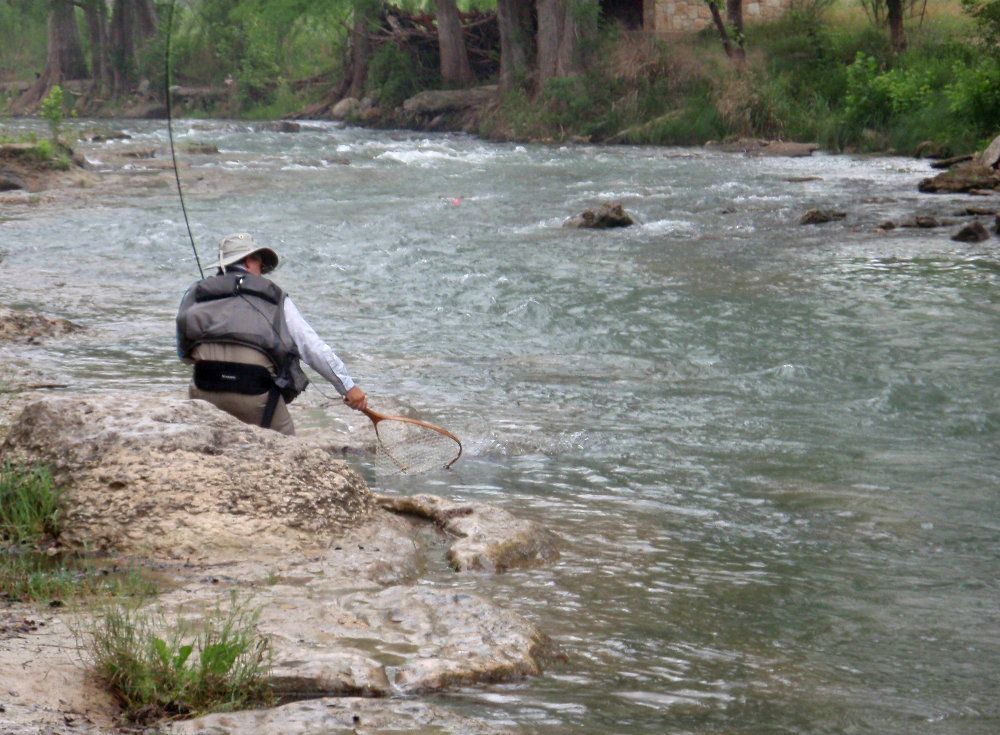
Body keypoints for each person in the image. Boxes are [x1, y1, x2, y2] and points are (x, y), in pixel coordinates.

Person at [176, 232, 366, 435]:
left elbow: (184, 354)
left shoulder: (196, 293)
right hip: (256, 397)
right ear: (249, 262)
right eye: (260, 264)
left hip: (204, 394)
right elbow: (311, 347)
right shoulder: (275, 298)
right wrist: (348, 387)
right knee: (288, 449)